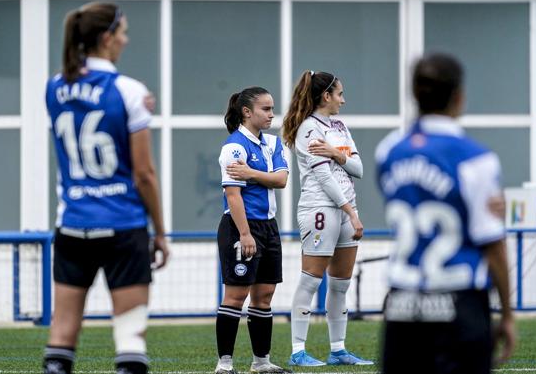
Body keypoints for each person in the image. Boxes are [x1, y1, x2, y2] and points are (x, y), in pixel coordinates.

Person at [43, 2, 169, 374]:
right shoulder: (130, 91)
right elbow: (144, 174)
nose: (126, 40)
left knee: (62, 336)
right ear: (106, 38)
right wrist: (160, 232)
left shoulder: (52, 87)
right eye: (123, 32)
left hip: (72, 225)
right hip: (123, 226)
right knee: (130, 339)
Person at [375, 53, 516, 374]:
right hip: (459, 305)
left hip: (402, 307)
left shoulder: (389, 151)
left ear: (414, 94)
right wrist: (507, 314)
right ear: (459, 96)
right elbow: (492, 244)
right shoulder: (476, 159)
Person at [282, 71, 373, 366]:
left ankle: (338, 350)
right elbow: (324, 177)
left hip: (347, 209)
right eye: (340, 94)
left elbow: (359, 168)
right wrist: (351, 212)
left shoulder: (339, 127)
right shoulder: (308, 129)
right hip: (320, 210)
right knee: (311, 281)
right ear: (326, 96)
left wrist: (335, 152)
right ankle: (298, 351)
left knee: (340, 285)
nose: (343, 101)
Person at [215, 87, 291, 374]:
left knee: (265, 295)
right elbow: (233, 195)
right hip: (241, 226)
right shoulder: (233, 147)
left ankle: (261, 362)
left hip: (269, 226)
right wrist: (245, 234)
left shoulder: (273, 143)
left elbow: (281, 180)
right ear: (247, 112)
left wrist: (251, 174)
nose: (272, 114)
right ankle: (224, 364)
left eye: (272, 109)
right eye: (266, 109)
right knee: (235, 295)